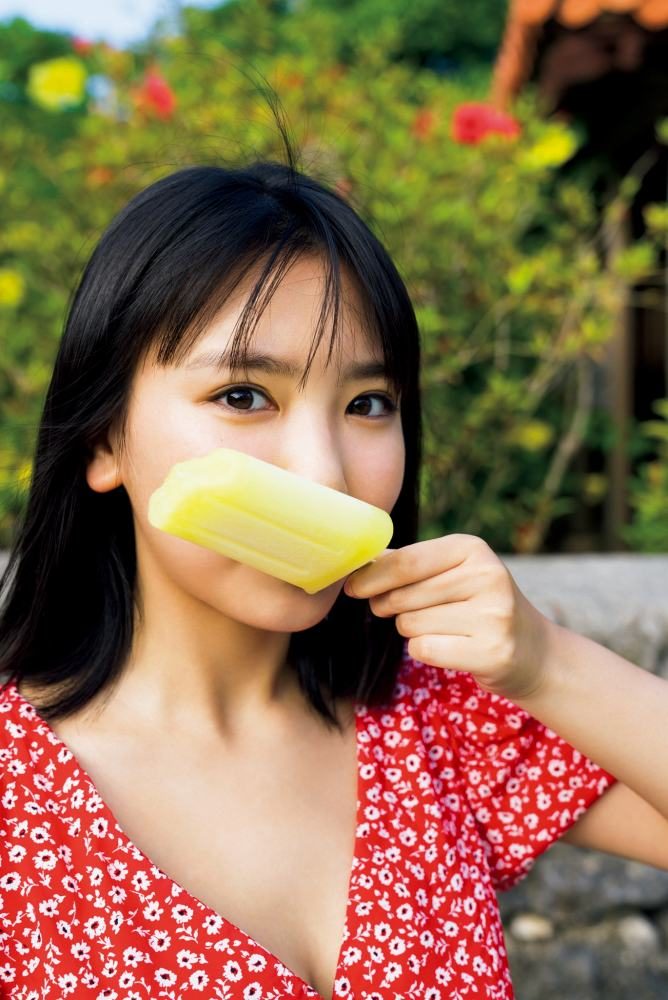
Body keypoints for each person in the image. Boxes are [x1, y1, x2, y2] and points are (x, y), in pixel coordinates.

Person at [0, 140, 667, 1000]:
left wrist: (548, 662)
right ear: (103, 440)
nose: (324, 471)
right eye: (243, 395)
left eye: (367, 404)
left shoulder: (439, 722)